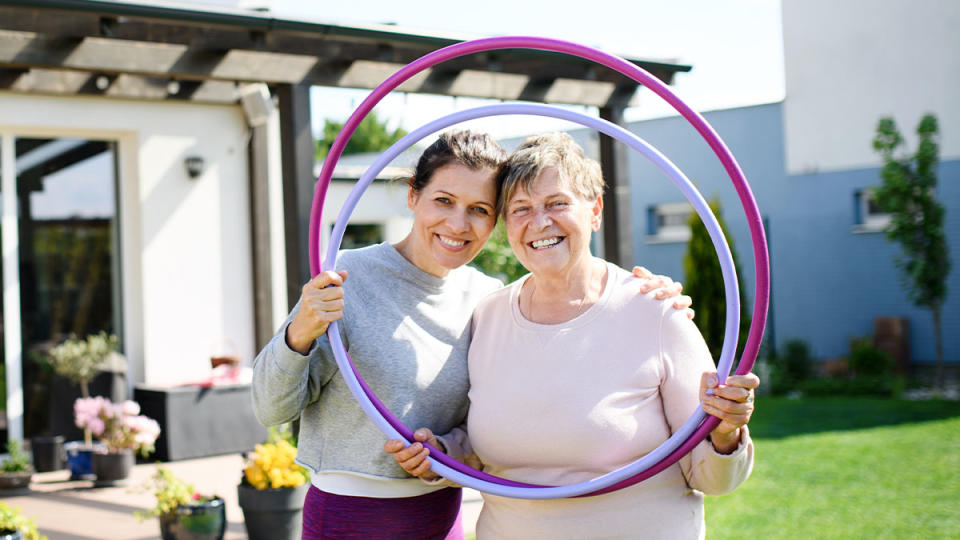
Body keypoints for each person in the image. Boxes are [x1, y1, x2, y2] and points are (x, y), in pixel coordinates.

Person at [251, 130, 692, 540]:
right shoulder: (349, 277)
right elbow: (272, 408)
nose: (459, 224)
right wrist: (299, 334)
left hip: (444, 514)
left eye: (479, 210)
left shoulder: (488, 299)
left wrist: (646, 297)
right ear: (412, 195)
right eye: (443, 200)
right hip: (351, 514)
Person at [387, 132, 759, 540]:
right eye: (520, 209)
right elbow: (485, 446)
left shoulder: (656, 311)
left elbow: (714, 479)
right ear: (505, 224)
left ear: (595, 210)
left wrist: (725, 434)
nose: (539, 222)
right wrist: (442, 453)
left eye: (557, 203)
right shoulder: (488, 316)